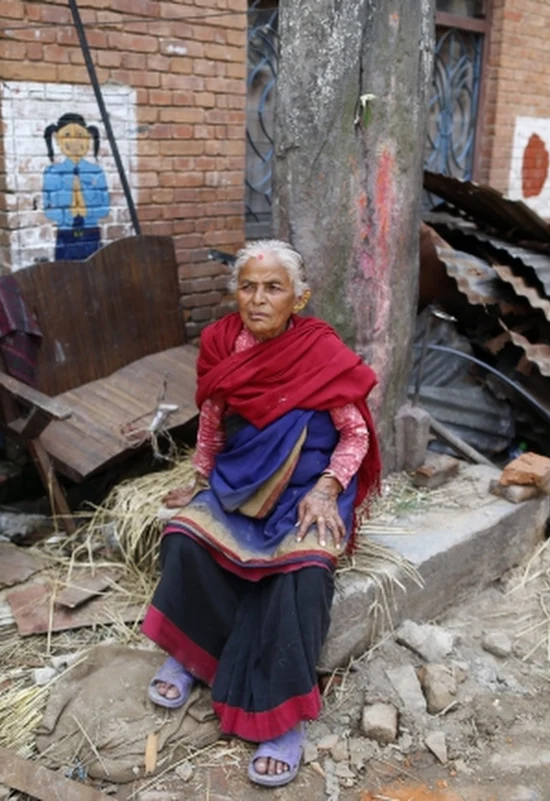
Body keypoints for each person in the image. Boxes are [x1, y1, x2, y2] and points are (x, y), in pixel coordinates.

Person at [139, 239, 382, 788]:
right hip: (240, 486)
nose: (258, 298)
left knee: (303, 575)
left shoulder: (320, 351)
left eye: (273, 288)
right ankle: (193, 656)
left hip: (306, 489)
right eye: (247, 286)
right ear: (235, 294)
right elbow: (212, 420)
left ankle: (282, 719)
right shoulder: (223, 343)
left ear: (300, 297)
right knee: (183, 536)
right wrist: (200, 481)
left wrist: (326, 491)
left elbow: (355, 432)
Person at [42, 113, 110, 260]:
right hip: (65, 233)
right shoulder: (51, 173)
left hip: (91, 232)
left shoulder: (96, 172)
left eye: (80, 136)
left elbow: (104, 208)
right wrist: (67, 216)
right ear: (58, 140)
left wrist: (88, 213)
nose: (74, 142)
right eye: (67, 136)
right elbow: (48, 209)